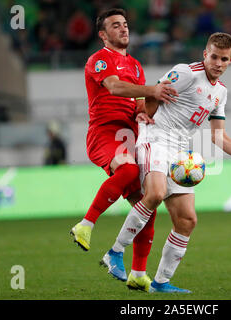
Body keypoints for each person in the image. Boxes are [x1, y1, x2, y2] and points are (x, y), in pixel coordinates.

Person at [102, 32, 231, 293]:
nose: (217, 62)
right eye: (213, 56)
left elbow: (217, 135)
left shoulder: (221, 93)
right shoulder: (186, 73)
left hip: (180, 154)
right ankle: (115, 252)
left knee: (187, 220)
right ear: (205, 55)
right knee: (156, 193)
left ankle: (161, 281)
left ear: (230, 61)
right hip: (155, 138)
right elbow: (154, 91)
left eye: (223, 59)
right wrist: (144, 113)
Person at [69, 8, 178, 291]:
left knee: (148, 207)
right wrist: (152, 90)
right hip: (105, 134)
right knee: (129, 169)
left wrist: (145, 110)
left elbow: (137, 103)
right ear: (103, 35)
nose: (124, 29)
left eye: (126, 24)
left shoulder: (137, 65)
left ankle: (138, 273)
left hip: (129, 135)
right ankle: (86, 224)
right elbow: (116, 89)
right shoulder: (99, 60)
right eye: (116, 25)